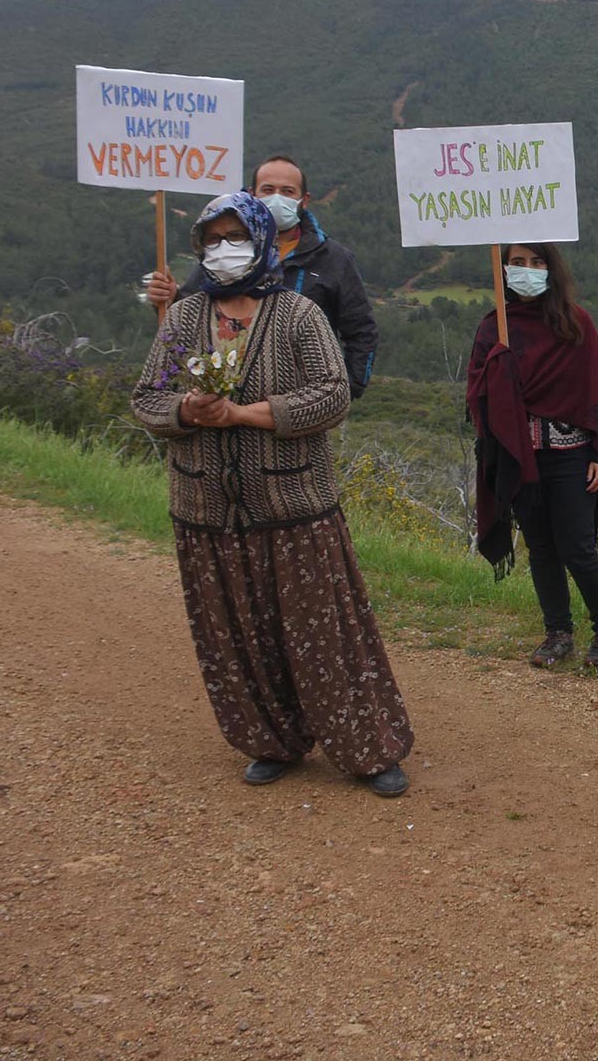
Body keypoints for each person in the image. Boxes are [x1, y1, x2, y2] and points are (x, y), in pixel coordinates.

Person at [131, 191, 412, 796]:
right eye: (212, 240)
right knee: (236, 634)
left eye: (236, 237)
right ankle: (271, 740)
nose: (224, 250)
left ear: (260, 242)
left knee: (323, 634)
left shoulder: (297, 316)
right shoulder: (183, 319)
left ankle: (368, 747)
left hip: (293, 507)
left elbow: (332, 395)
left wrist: (244, 415)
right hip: (207, 509)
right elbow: (147, 398)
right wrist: (187, 408)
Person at [467, 242, 598, 670]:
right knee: (540, 548)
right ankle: (557, 633)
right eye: (517, 263)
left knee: (577, 546)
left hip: (573, 454)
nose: (527, 271)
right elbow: (479, 398)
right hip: (523, 456)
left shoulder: (577, 324)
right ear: (503, 269)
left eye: (536, 263)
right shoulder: (493, 330)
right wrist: (497, 370)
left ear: (551, 269)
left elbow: (597, 393)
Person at [146, 154, 380, 398]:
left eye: (287, 191)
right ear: (251, 194)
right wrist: (169, 299)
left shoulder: (334, 258)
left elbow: (362, 330)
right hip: (226, 396)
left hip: (302, 401)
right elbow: (193, 314)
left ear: (304, 200)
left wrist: (346, 389)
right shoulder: (229, 250)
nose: (277, 198)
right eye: (268, 190)